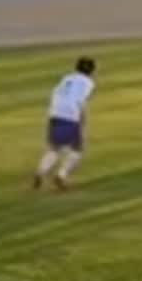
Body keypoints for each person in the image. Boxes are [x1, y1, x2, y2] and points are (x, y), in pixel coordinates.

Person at [33, 56, 96, 191]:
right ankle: (61, 176)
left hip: (55, 114)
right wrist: (83, 121)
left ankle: (40, 172)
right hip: (70, 116)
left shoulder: (67, 78)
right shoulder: (88, 82)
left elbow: (55, 93)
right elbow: (81, 101)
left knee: (54, 148)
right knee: (77, 150)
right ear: (91, 71)